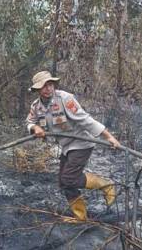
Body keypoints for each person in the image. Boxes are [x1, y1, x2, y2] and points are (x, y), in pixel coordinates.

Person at [26, 71, 120, 221]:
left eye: (50, 84)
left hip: (81, 143)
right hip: (66, 146)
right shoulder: (36, 106)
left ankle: (105, 185)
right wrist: (35, 128)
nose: (48, 88)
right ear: (37, 90)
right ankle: (80, 217)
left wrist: (108, 137)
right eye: (43, 86)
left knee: (69, 178)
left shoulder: (65, 99)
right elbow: (29, 121)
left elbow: (85, 120)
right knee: (64, 183)